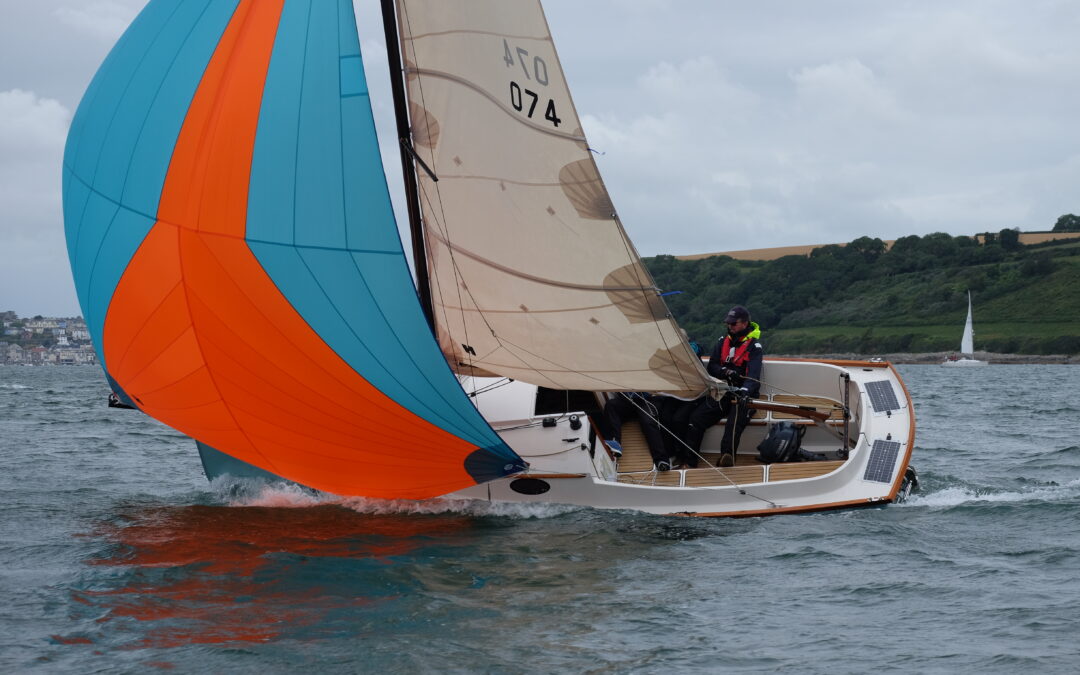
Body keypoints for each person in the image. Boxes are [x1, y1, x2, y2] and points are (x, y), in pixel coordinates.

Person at [684, 305, 764, 467]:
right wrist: (726, 372)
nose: (730, 326)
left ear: (744, 323)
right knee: (696, 418)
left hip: (744, 395)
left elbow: (753, 377)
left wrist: (745, 390)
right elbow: (712, 366)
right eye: (728, 323)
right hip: (724, 391)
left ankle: (727, 457)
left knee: (733, 423)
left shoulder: (754, 347)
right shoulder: (722, 342)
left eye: (734, 324)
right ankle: (690, 462)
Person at [602, 392, 674, 471]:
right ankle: (615, 442)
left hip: (648, 399)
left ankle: (661, 459)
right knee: (611, 405)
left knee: (648, 421)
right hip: (629, 400)